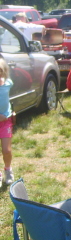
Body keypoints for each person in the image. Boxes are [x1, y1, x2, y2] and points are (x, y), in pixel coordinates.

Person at [0, 58, 14, 187]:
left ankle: (8, 169)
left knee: (6, 150)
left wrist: (8, 113)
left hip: (5, 122)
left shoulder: (8, 83)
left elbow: (6, 100)